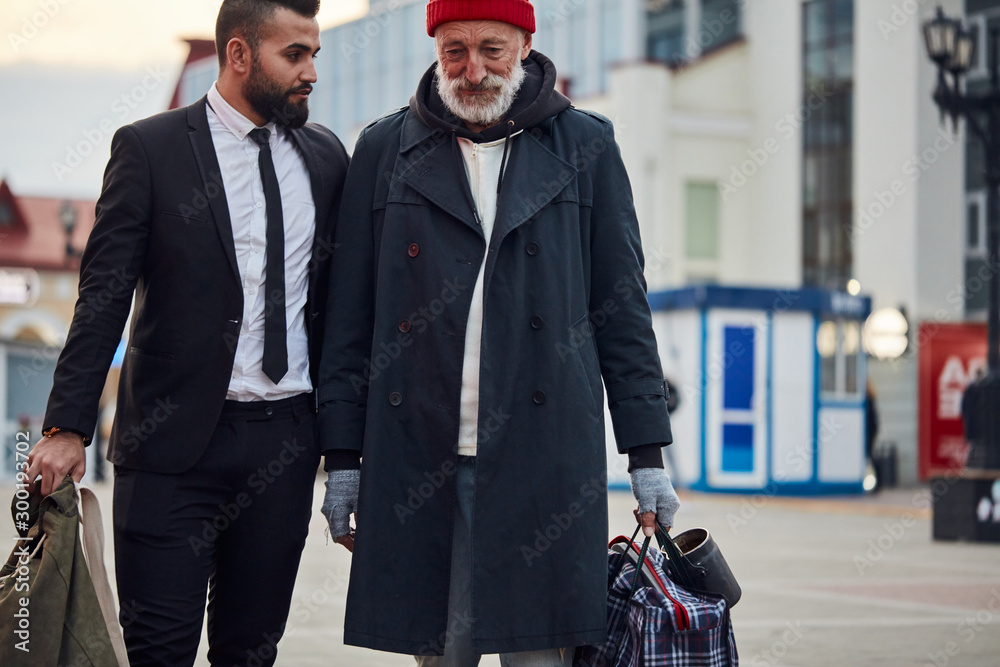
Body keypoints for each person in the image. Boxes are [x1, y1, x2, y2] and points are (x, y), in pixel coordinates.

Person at [317, 1, 680, 664]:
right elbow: (349, 318)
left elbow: (622, 310)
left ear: (525, 43)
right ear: (434, 49)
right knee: (443, 653)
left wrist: (647, 451)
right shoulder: (382, 147)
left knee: (539, 658)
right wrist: (341, 458)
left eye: (492, 48)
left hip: (545, 466)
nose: (473, 69)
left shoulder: (587, 145)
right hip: (422, 460)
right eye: (455, 50)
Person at [24, 1, 349, 664]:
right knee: (157, 651)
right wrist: (66, 427)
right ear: (237, 55)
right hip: (170, 452)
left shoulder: (325, 158)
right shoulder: (151, 149)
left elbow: (340, 309)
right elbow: (102, 299)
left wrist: (347, 447)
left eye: (314, 52)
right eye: (295, 54)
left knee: (251, 652)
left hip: (283, 449)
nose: (311, 70)